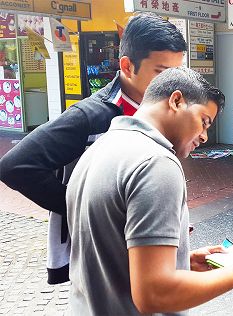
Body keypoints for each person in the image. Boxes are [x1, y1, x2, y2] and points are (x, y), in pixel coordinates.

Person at [66, 67, 233, 315]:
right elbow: (154, 294)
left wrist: (181, 262)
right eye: (204, 121)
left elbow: (109, 252)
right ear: (176, 101)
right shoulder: (156, 164)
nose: (204, 136)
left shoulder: (100, 147)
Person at [0, 12, 186, 284]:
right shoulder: (91, 116)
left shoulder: (158, 108)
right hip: (97, 251)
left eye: (176, 73)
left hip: (140, 242)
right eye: (161, 73)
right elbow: (14, 167)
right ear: (127, 66)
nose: (171, 86)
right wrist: (87, 210)